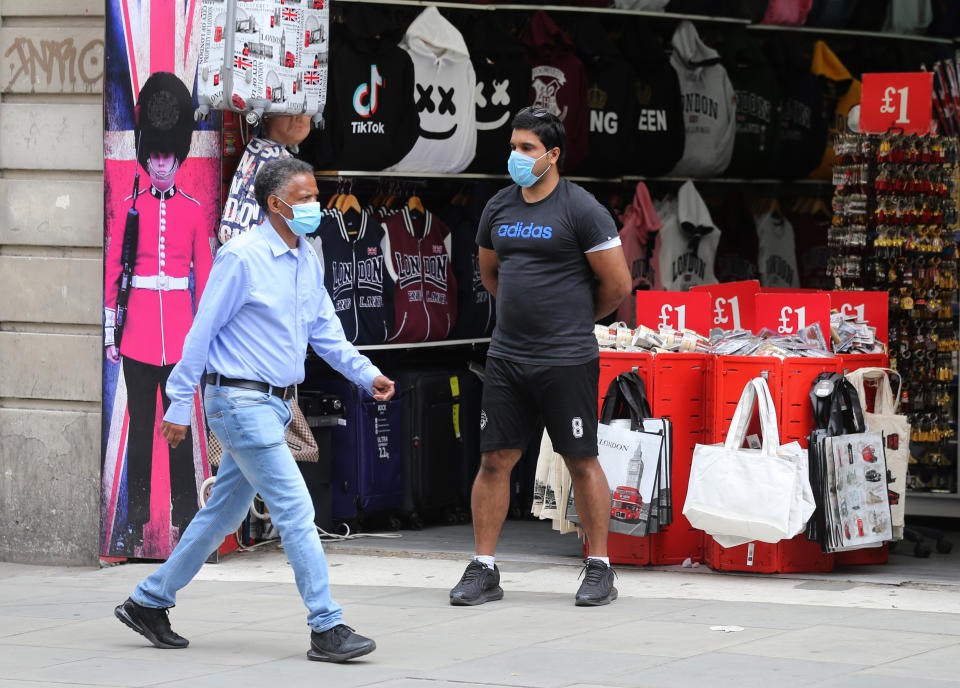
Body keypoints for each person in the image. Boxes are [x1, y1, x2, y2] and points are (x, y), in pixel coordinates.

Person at [114, 158, 395, 663]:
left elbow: (326, 331)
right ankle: (326, 626)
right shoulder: (240, 258)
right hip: (239, 403)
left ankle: (148, 600)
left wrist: (365, 373)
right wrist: (179, 403)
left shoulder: (308, 256)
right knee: (297, 510)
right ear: (275, 204)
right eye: (305, 198)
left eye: (316, 195)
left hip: (276, 404)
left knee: (223, 512)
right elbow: (199, 333)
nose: (317, 206)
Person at [449, 106, 631, 607]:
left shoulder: (583, 210)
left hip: (566, 358)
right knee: (494, 460)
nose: (516, 156)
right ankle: (484, 567)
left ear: (552, 156)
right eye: (512, 147)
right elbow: (490, 275)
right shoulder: (498, 208)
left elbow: (616, 286)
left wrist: (570, 319)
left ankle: (600, 567)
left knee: (581, 460)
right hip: (508, 357)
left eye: (526, 148)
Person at [103, 71, 214, 556]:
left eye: (168, 156)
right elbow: (114, 273)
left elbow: (205, 281)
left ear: (178, 157)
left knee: (180, 431)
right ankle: (135, 523)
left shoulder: (192, 211)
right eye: (156, 156)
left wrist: (206, 339)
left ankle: (188, 519)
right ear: (147, 158)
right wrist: (112, 332)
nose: (162, 163)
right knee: (143, 438)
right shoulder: (131, 207)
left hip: (181, 335)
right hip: (139, 335)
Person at [219, 114, 313, 244]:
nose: (299, 118)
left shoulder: (261, 151)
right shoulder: (274, 157)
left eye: (306, 112)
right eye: (288, 112)